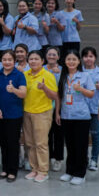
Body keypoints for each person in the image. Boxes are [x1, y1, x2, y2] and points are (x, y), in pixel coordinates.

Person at [56, 51, 95, 185]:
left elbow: (91, 94)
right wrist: (57, 113)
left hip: (81, 116)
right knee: (70, 145)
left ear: (79, 61)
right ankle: (69, 171)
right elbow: (59, 96)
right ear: (65, 61)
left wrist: (81, 89)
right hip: (66, 115)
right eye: (68, 59)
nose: (71, 62)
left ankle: (80, 173)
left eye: (74, 59)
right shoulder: (63, 76)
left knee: (80, 146)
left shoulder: (85, 76)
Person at [22, 50, 58, 183]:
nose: (33, 61)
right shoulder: (25, 74)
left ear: (42, 61)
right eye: (31, 59)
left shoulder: (48, 75)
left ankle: (43, 171)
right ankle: (34, 168)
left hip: (42, 112)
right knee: (30, 143)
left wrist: (44, 88)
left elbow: (54, 96)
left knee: (41, 143)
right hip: (27, 111)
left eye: (36, 59)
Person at [0, 50, 27, 182]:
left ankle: (13, 171)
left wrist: (14, 90)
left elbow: (23, 93)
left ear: (14, 61)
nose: (7, 62)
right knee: (3, 143)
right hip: (0, 114)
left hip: (14, 115)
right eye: (4, 59)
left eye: (10, 60)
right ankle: (5, 169)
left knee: (12, 143)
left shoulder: (19, 75)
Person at [81, 46, 99, 171]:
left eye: (91, 56)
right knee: (82, 137)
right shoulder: (78, 71)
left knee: (96, 135)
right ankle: (83, 159)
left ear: (95, 58)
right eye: (86, 56)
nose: (88, 59)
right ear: (82, 58)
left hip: (96, 109)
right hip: (81, 109)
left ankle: (94, 160)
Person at [45, 46, 64, 172]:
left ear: (58, 57)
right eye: (49, 54)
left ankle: (58, 158)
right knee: (46, 134)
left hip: (58, 105)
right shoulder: (41, 68)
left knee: (58, 134)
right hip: (43, 106)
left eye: (54, 54)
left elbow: (60, 90)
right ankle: (49, 157)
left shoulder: (63, 70)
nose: (51, 56)